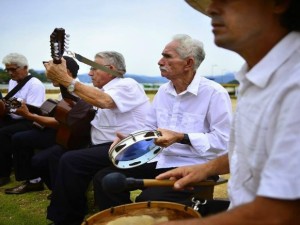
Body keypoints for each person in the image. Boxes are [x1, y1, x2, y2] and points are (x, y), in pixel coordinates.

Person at [155, 0, 300, 224]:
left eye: (226, 0)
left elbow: (282, 214)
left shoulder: (294, 84)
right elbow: (249, 153)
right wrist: (206, 168)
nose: (211, 9)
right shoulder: (256, 79)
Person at [92, 34, 232, 211]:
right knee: (105, 178)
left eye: (167, 56)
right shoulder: (164, 91)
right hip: (160, 160)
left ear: (188, 63)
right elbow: (149, 128)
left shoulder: (214, 93)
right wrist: (131, 139)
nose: (159, 61)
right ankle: (124, 219)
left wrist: (181, 137)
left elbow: (223, 141)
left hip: (195, 167)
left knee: (149, 199)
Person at [43, 51, 151, 225]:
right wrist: (61, 78)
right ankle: (74, 208)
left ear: (109, 69)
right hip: (102, 146)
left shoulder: (126, 84)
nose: (90, 73)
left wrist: (66, 79)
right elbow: (76, 97)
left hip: (127, 147)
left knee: (71, 160)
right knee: (56, 154)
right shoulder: (103, 89)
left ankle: (65, 220)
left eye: (94, 68)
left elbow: (105, 101)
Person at [4, 56, 80, 194]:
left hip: (67, 136)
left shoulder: (77, 91)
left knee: (27, 145)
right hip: (58, 130)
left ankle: (40, 183)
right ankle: (32, 180)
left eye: (52, 72)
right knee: (19, 138)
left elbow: (62, 123)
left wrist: (30, 115)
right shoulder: (64, 90)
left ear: (66, 72)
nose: (48, 76)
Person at [0, 53, 45, 187]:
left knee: (3, 134)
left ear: (25, 67)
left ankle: (3, 174)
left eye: (13, 69)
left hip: (29, 120)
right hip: (14, 117)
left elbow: (31, 111)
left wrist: (8, 107)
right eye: (7, 70)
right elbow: (10, 104)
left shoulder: (35, 85)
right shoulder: (12, 82)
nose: (10, 73)